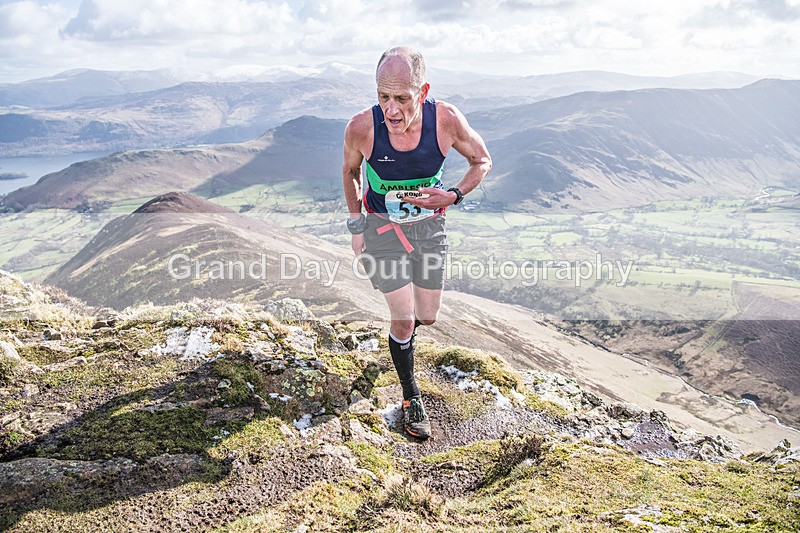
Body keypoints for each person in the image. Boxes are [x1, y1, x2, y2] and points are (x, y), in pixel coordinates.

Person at [342, 46, 492, 439]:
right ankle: (411, 394)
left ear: (422, 92)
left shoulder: (445, 120)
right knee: (405, 317)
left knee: (426, 316)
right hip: (381, 227)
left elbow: (482, 161)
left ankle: (401, 341)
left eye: (402, 98)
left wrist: (454, 195)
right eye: (383, 97)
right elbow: (351, 171)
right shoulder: (362, 127)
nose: (391, 110)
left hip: (429, 227)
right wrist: (357, 226)